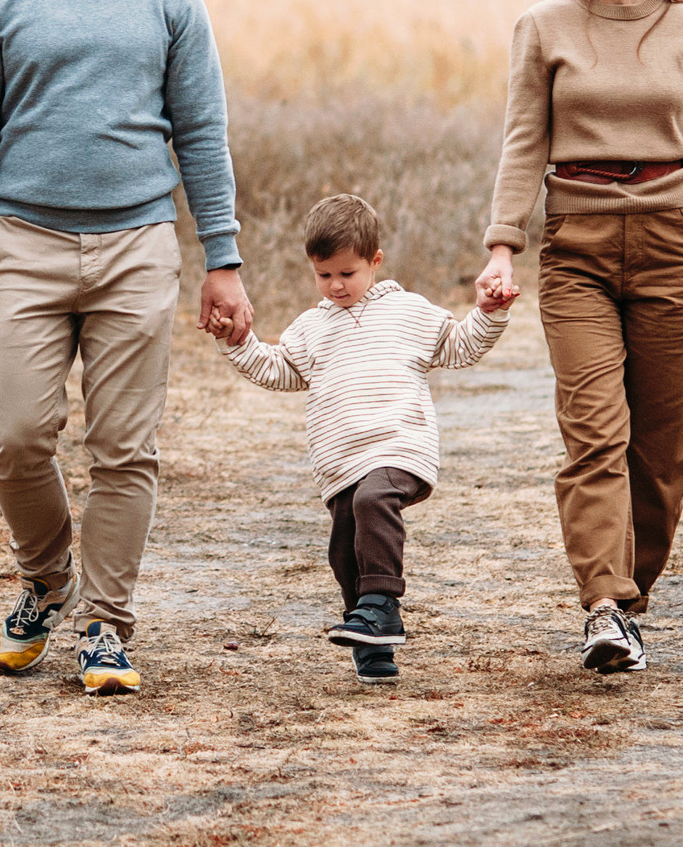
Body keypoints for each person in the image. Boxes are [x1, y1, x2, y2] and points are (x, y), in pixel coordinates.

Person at [0, 0, 253, 698]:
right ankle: (45, 580)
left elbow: (202, 135)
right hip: (23, 244)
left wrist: (221, 257)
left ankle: (108, 626)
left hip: (138, 244)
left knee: (125, 449)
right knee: (17, 436)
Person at [475, 0, 683, 676]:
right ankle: (601, 604)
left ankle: (628, 606)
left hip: (669, 248)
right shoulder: (544, 27)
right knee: (595, 436)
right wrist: (501, 247)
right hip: (576, 253)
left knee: (664, 455)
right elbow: (524, 143)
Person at [220, 194, 515, 683]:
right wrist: (237, 341)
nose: (335, 285)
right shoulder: (309, 329)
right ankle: (372, 645)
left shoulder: (409, 312)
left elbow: (461, 347)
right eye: (324, 275)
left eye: (347, 274)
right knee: (345, 547)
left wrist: (488, 312)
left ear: (374, 262)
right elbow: (278, 371)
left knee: (375, 500)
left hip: (401, 446)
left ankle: (381, 605)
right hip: (340, 460)